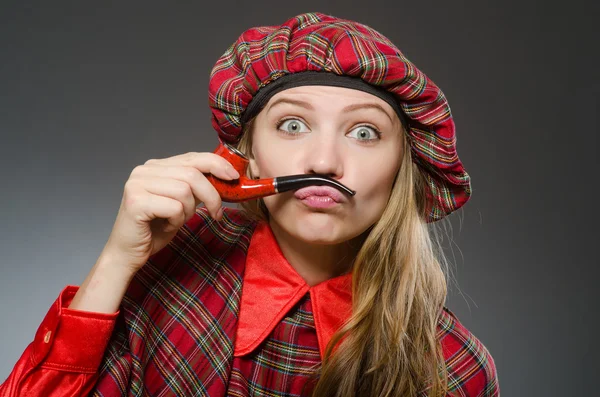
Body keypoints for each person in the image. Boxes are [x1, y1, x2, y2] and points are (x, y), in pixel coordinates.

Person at [0, 12, 499, 397]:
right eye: (293, 125)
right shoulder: (170, 272)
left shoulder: (452, 366)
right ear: (249, 157)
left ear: (401, 171)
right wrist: (115, 262)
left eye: (364, 132)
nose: (324, 160)